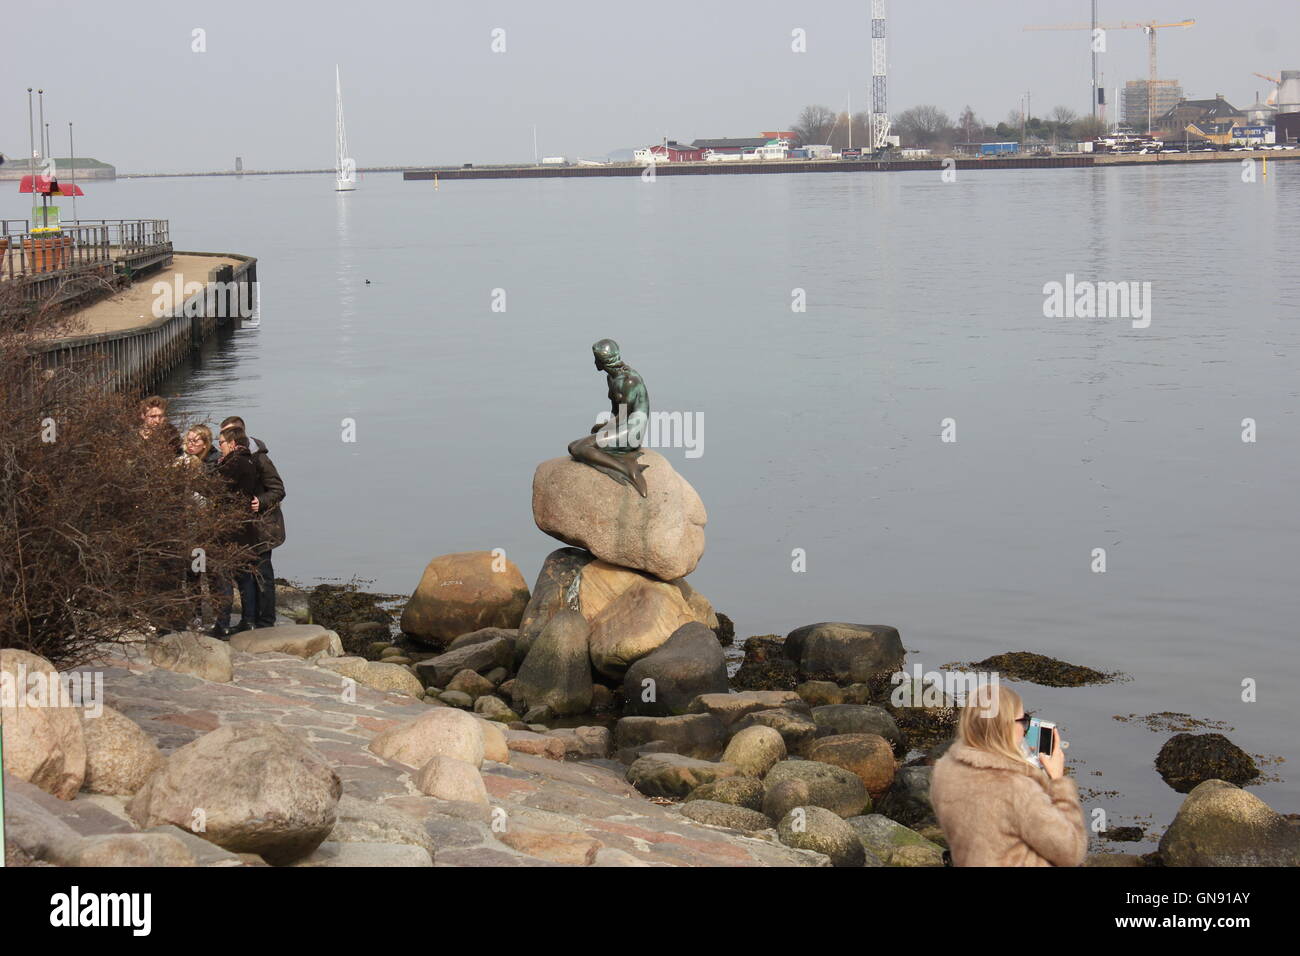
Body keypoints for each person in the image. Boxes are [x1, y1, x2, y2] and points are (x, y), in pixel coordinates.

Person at [930, 685, 1087, 867]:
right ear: (1005, 727)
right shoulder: (1017, 788)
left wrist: (1020, 762)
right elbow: (1071, 852)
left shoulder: (944, 769)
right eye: (1022, 720)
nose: (1025, 728)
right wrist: (1057, 781)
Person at [220, 415, 285, 628]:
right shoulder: (231, 460)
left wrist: (262, 501)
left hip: (264, 526)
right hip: (244, 527)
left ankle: (266, 620)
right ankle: (252, 617)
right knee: (247, 573)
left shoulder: (259, 458)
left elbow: (278, 489)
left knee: (263, 573)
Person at [212, 427, 262, 636]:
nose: (219, 446)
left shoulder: (233, 463)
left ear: (232, 443)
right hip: (245, 527)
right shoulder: (249, 460)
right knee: (244, 577)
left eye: (221, 442)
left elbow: (215, 487)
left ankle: (222, 624)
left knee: (224, 577)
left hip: (231, 529)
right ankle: (249, 620)